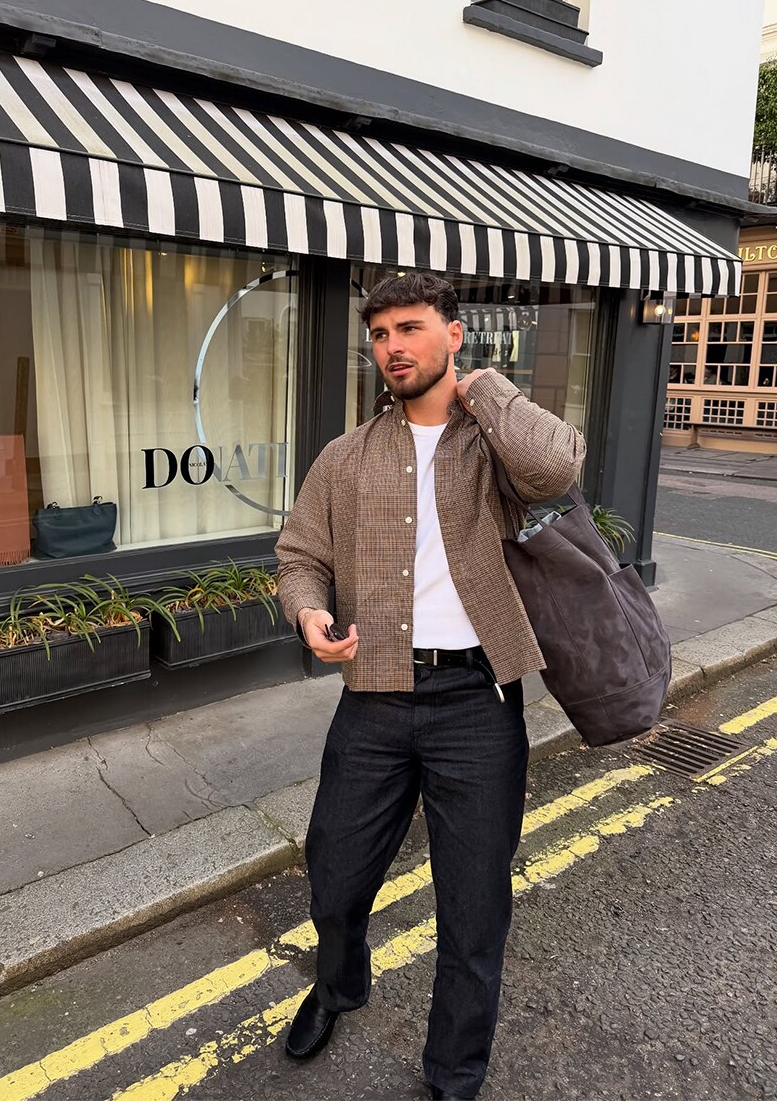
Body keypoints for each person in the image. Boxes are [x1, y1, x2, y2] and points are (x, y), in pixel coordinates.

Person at [275, 272, 585, 1100]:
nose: (392, 349)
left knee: (473, 908)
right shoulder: (345, 457)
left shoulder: (496, 446)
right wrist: (308, 614)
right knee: (334, 875)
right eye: (379, 335)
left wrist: (485, 389)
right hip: (373, 698)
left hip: (477, 703)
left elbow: (557, 467)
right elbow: (299, 554)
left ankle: (454, 1070)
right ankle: (338, 986)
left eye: (410, 329)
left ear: (453, 332)